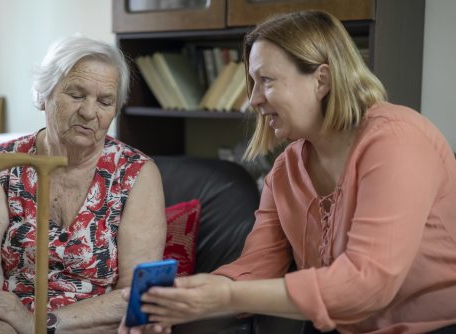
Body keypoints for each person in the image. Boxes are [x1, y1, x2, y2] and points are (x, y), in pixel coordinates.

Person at [119, 10, 456, 334]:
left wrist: (225, 295)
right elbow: (258, 265)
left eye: (265, 80)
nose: (252, 99)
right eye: (251, 82)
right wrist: (180, 299)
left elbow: (367, 283)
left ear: (321, 80)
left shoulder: (397, 140)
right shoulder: (286, 170)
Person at [0, 35, 167, 334]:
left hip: (91, 326)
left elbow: (135, 292)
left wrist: (39, 325)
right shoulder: (1, 165)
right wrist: (0, 328)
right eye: (77, 95)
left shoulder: (136, 174)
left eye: (105, 101)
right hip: (1, 323)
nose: (89, 111)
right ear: (43, 94)